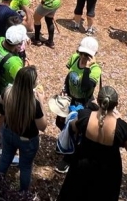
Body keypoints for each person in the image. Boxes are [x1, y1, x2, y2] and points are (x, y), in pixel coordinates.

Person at [56, 86, 127, 201]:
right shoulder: (121, 127)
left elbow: (73, 127)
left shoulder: (84, 115)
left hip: (82, 164)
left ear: (98, 101)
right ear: (116, 105)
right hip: (108, 171)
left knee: (75, 194)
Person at [54, 37, 102, 174]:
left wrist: (87, 68)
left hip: (82, 103)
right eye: (82, 53)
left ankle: (69, 157)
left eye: (87, 55)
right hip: (70, 98)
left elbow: (87, 86)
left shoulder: (95, 69)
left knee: (74, 129)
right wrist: (64, 89)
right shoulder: (74, 58)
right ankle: (66, 143)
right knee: (60, 122)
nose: (83, 57)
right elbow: (69, 75)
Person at [0, 66, 47, 194]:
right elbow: (43, 126)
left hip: (8, 132)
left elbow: (1, 101)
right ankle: (23, 194)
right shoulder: (33, 104)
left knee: (5, 158)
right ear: (32, 84)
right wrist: (41, 102)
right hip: (27, 140)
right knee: (25, 167)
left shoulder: (7, 92)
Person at [0, 24, 28, 153]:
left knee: (3, 114)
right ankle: (5, 146)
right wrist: (26, 65)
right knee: (11, 118)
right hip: (10, 92)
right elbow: (23, 79)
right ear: (17, 44)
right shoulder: (14, 62)